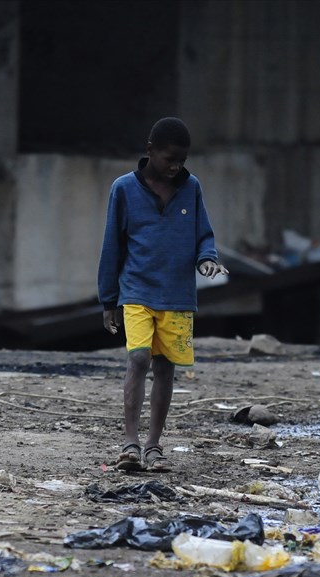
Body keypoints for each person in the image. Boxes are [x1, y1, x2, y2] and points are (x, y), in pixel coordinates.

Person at [98, 117, 227, 472]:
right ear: (150, 151)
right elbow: (113, 246)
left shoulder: (191, 188)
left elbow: (204, 234)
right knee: (138, 358)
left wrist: (206, 260)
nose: (176, 167)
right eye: (170, 158)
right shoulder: (123, 189)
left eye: (182, 160)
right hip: (136, 290)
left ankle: (153, 446)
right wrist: (108, 299)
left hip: (177, 296)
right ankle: (130, 443)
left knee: (165, 367)